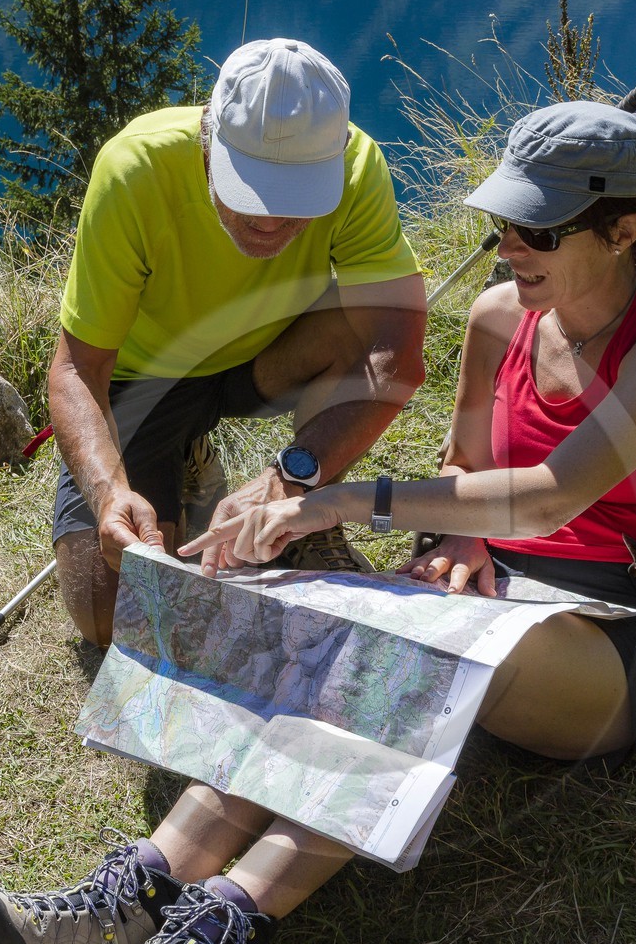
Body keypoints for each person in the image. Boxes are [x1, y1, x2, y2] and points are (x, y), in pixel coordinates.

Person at [0, 101, 636, 944]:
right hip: (497, 593)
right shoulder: (498, 317)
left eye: (537, 230)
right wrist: (460, 534)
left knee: (407, 658)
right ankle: (137, 892)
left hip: (624, 636)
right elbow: (469, 469)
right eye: (502, 224)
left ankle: (214, 934)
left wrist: (344, 500)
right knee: (342, 643)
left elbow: (553, 493)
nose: (508, 248)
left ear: (621, 229)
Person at [47, 35, 427, 646]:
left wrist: (294, 476)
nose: (270, 221)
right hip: (144, 384)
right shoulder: (136, 168)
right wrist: (109, 492)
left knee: (360, 323)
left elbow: (397, 355)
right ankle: (182, 462)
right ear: (209, 141)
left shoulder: (357, 166)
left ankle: (305, 518)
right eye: (248, 192)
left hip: (267, 354)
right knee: (110, 620)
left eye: (297, 198)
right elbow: (76, 370)